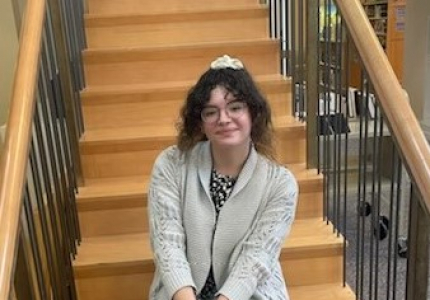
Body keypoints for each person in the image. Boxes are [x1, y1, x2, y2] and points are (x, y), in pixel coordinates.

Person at [148, 54, 298, 300]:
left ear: (254, 113)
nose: (224, 119)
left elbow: (257, 257)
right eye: (211, 112)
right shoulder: (171, 165)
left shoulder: (280, 183)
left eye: (235, 107)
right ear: (201, 121)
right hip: (182, 294)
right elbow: (167, 243)